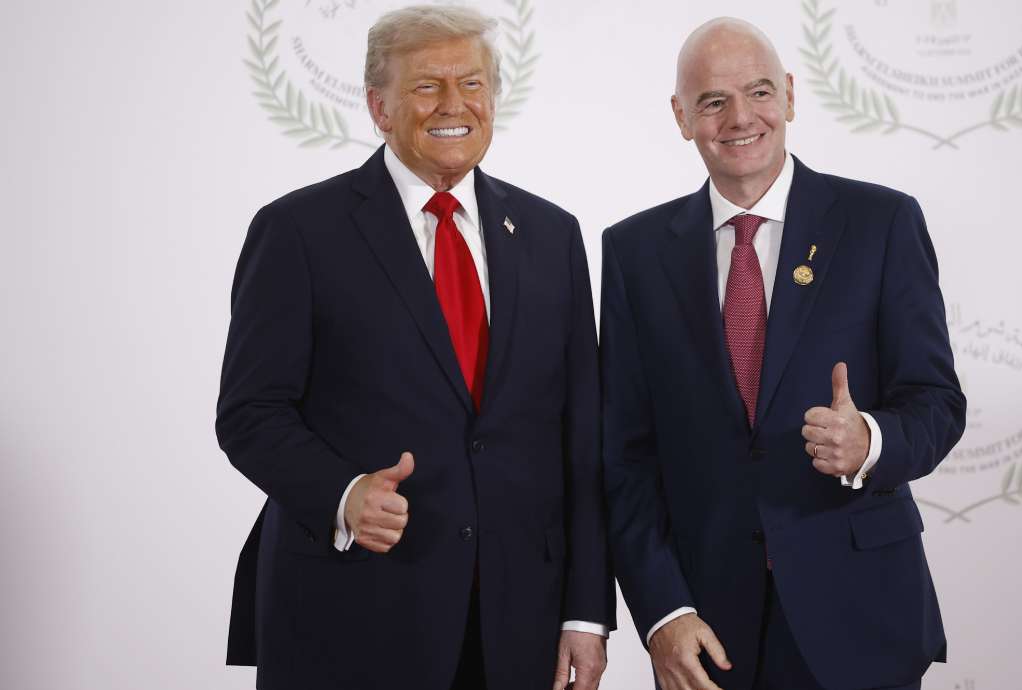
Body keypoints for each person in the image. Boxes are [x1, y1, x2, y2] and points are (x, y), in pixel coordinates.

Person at [216, 7, 612, 690]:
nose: (455, 105)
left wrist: (585, 613)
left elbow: (580, 436)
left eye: (473, 84)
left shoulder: (553, 234)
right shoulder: (298, 232)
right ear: (380, 106)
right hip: (353, 613)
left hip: (516, 623)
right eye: (427, 86)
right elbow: (250, 413)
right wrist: (342, 493)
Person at [601, 18, 966, 690]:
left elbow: (939, 404)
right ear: (682, 117)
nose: (740, 117)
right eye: (712, 101)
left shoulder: (881, 224)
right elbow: (625, 457)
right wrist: (663, 612)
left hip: (860, 614)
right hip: (706, 631)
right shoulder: (634, 252)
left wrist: (871, 441)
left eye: (760, 92)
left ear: (791, 97)